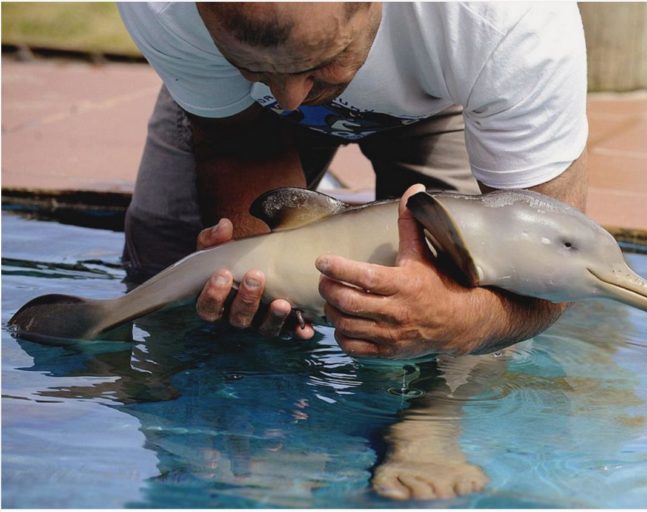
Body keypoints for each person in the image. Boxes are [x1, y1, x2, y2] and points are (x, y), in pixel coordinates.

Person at [117, 2, 588, 499]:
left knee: (474, 278)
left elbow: (545, 269)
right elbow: (234, 140)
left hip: (441, 91)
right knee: (168, 268)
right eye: (254, 64)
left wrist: (455, 316)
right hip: (240, 109)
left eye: (324, 60)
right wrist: (260, 265)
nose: (292, 98)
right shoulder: (165, 7)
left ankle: (429, 420)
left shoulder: (507, 22)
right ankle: (206, 420)